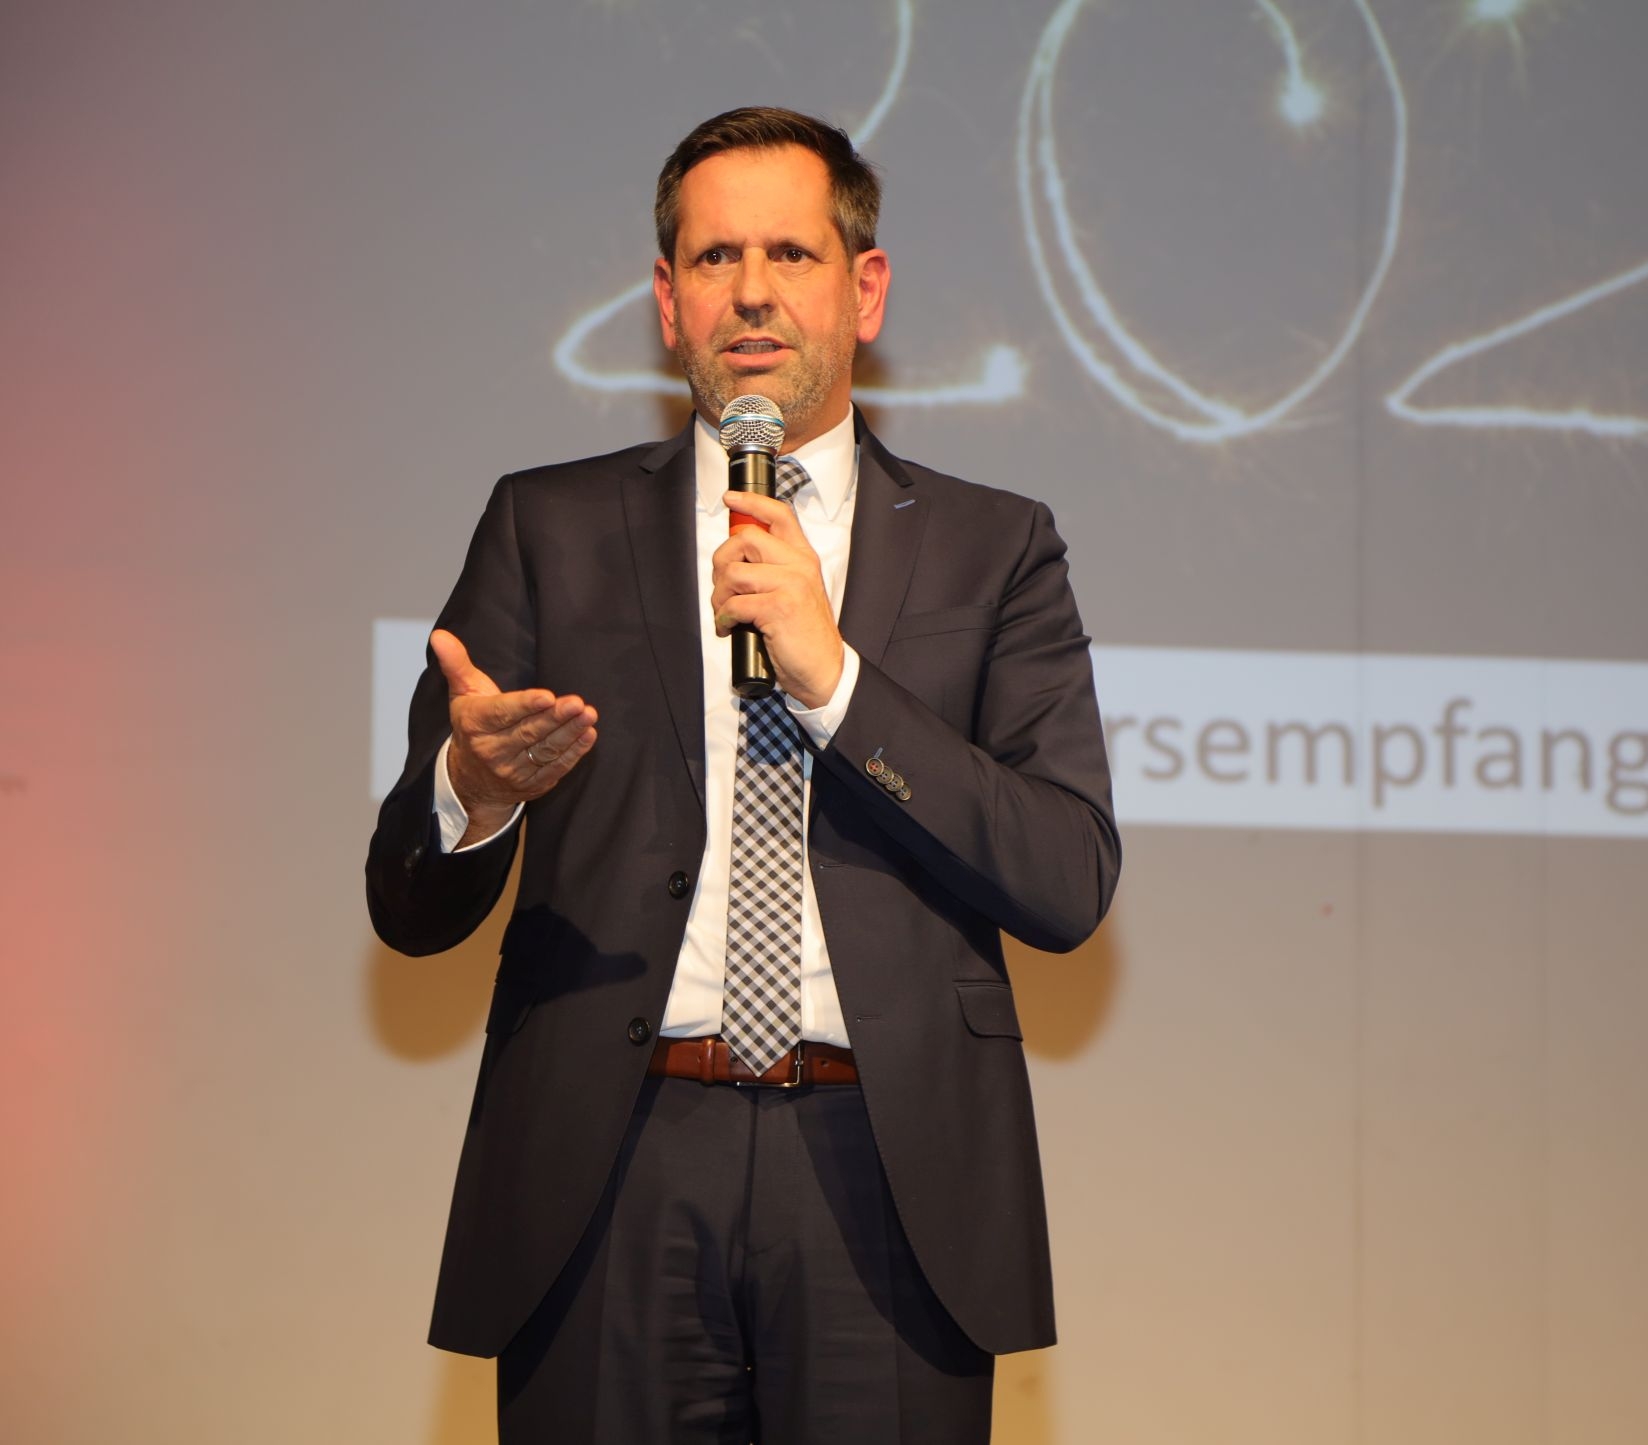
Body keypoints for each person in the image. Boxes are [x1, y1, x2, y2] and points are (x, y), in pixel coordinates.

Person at [366, 106, 1120, 1444]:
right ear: (668, 301)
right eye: (715, 258)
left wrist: (837, 683)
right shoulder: (548, 527)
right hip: (610, 1168)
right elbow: (407, 904)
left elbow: (1066, 878)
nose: (753, 291)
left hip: (887, 1177)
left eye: (791, 253)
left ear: (865, 289)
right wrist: (471, 795)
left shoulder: (994, 548)